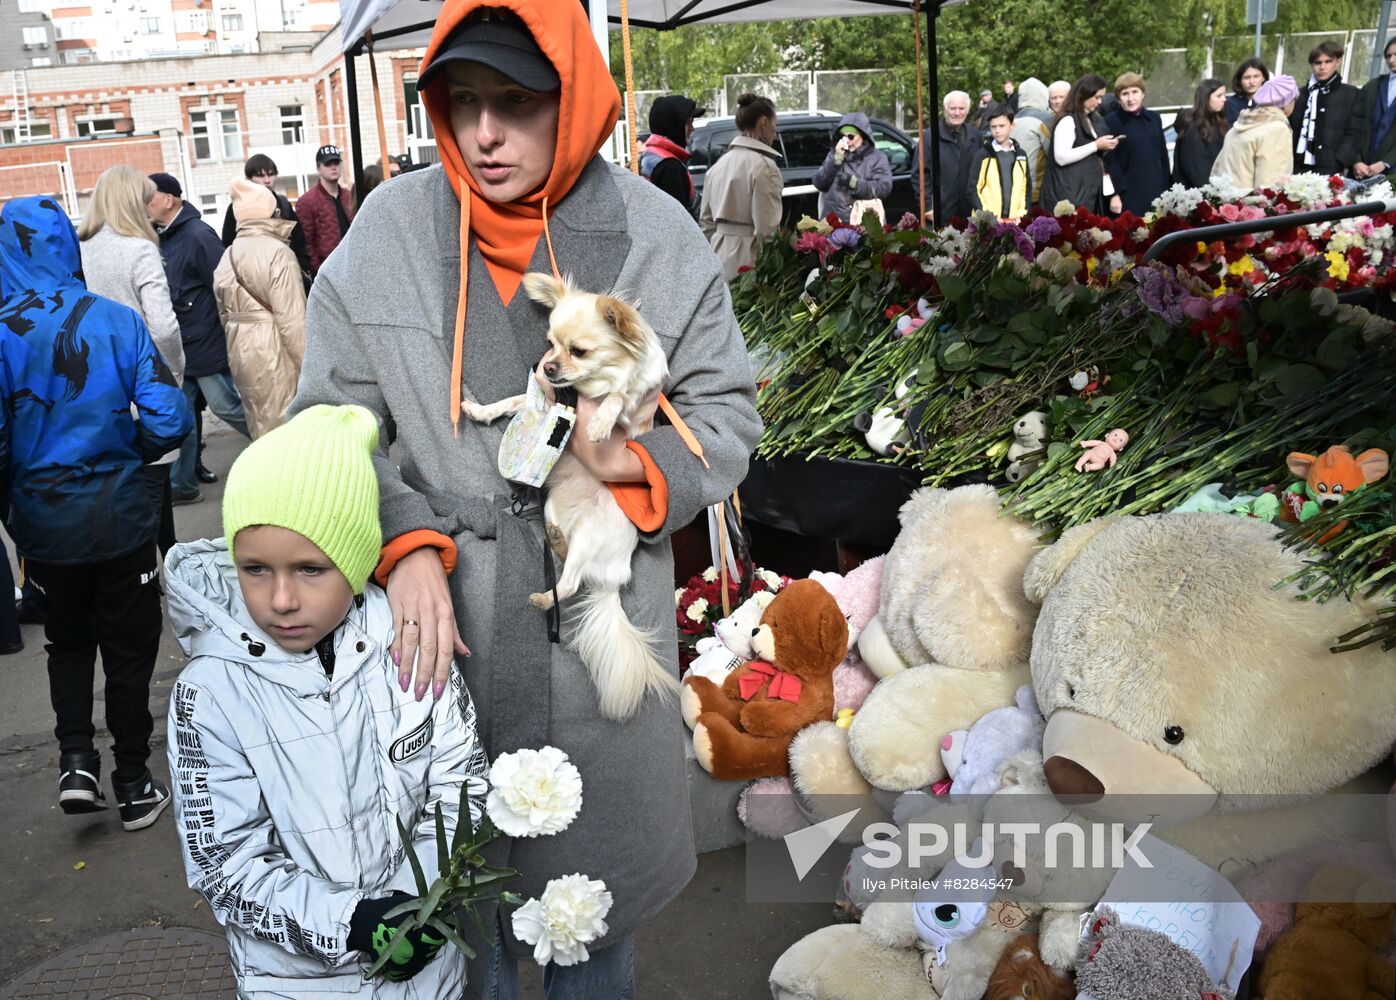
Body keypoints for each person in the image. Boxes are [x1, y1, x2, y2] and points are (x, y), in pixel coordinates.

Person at [290, 3, 760, 998]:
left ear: (574, 101)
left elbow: (725, 412)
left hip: (597, 624)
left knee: (592, 924)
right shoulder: (388, 231)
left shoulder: (652, 232)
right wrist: (405, 538)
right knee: (465, 935)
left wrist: (625, 467)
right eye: (463, 103)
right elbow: (329, 419)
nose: (483, 134)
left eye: (515, 102)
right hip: (440, 635)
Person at [166, 404, 486, 997]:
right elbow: (224, 861)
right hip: (296, 984)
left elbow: (461, 781)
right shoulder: (209, 694)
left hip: (427, 976)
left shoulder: (409, 642)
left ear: (358, 559)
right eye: (255, 569)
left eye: (311, 569)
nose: (281, 598)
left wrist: (420, 904)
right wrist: (355, 925)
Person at [0, 196, 192, 830]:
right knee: (131, 650)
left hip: (44, 521)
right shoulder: (115, 321)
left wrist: (21, 490)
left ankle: (76, 761)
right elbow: (170, 420)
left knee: (67, 643)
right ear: (67, 247)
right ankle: (134, 780)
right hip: (121, 516)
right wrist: (122, 453)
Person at [78, 166, 186, 556]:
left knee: (123, 488)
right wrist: (173, 373)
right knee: (154, 485)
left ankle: (158, 563)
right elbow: (163, 327)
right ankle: (154, 574)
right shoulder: (139, 248)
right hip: (144, 383)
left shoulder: (80, 247)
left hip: (95, 385)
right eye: (143, 201)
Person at [146, 171, 251, 506]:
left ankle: (282, 447)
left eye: (149, 196)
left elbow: (225, 285)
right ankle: (183, 484)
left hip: (204, 343)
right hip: (185, 346)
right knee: (184, 414)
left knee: (226, 406)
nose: (144, 203)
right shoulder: (166, 234)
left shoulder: (197, 235)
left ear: (169, 199)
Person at [213, 178, 307, 438]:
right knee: (287, 429)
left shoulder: (227, 255)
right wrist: (311, 368)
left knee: (258, 423)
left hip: (239, 349)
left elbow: (223, 313)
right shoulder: (278, 252)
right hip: (274, 345)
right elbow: (293, 321)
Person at [698, 92, 783, 280]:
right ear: (763, 123)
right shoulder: (764, 166)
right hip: (749, 262)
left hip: (717, 256)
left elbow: (706, 223)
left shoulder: (718, 166)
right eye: (774, 124)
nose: (775, 131)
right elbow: (767, 231)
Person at [219, 153, 312, 288]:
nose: (267, 180)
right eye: (261, 176)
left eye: (271, 174)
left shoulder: (283, 204)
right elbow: (228, 244)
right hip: (251, 279)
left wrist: (303, 268)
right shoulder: (237, 208)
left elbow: (299, 240)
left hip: (286, 274)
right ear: (249, 179)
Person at [1039, 74, 1119, 215]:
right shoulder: (1068, 120)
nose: (1100, 102)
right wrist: (1096, 145)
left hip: (1086, 195)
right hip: (1068, 199)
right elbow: (1061, 157)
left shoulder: (1092, 118)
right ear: (1084, 95)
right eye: (1097, 97)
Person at [1290, 39, 1363, 176]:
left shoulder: (1352, 94)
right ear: (1311, 65)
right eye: (1318, 62)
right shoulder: (1298, 94)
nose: (1322, 67)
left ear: (1337, 62)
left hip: (1331, 168)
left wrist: (1339, 160)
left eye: (1328, 61)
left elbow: (1355, 132)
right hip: (1297, 167)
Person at [1214, 74, 1298, 192]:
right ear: (1286, 103)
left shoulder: (1237, 127)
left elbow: (1216, 172)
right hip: (1253, 207)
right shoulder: (1277, 129)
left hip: (1227, 204)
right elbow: (1271, 185)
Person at [1103, 72, 1170, 216]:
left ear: (1143, 94)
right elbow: (1109, 161)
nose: (1131, 98)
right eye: (1125, 94)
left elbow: (1163, 156)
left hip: (1155, 191)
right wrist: (1114, 195)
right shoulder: (1112, 121)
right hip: (1127, 195)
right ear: (1118, 98)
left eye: (1135, 92)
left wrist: (1167, 191)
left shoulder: (1154, 118)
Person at [911, 91, 982, 222]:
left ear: (967, 110)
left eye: (961, 108)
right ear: (945, 110)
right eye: (953, 108)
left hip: (972, 213)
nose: (957, 113)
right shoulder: (929, 137)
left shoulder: (976, 137)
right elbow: (919, 174)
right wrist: (928, 206)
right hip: (941, 214)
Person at [812, 113, 894, 225]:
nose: (846, 141)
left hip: (865, 224)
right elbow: (819, 183)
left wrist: (855, 183)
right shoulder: (834, 154)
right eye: (843, 136)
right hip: (835, 223)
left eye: (850, 136)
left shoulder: (877, 157)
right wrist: (836, 161)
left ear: (863, 135)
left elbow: (884, 188)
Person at [642, 94, 705, 218]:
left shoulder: (650, 157)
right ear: (674, 125)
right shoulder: (670, 168)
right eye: (689, 123)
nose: (692, 129)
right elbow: (678, 222)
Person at [297, 145, 357, 274]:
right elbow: (307, 242)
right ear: (318, 168)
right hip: (327, 271)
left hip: (353, 265)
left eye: (336, 163)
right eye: (328, 163)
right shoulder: (307, 202)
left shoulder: (349, 196)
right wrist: (319, 271)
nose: (334, 167)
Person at [966, 103, 1029, 220]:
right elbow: (972, 189)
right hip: (987, 222)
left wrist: (1022, 214)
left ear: (1012, 125)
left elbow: (1025, 188)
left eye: (1001, 126)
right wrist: (987, 217)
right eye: (993, 127)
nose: (997, 130)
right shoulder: (983, 154)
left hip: (1015, 221)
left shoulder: (1021, 155)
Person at [1352, 36, 1396, 182]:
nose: (1391, 60)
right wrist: (1356, 160)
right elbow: (1353, 124)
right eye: (1388, 56)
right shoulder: (1373, 86)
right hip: (1361, 171)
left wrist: (1385, 163)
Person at [1173, 79, 1230, 188]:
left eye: (1224, 95)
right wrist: (1209, 192)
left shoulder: (1219, 122)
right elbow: (1194, 165)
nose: (1224, 99)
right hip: (1195, 194)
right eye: (1219, 96)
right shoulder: (1192, 126)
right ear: (1206, 98)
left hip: (1218, 188)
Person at [1010, 77, 1054, 205]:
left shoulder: (1011, 120)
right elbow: (1054, 154)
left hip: (1013, 188)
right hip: (1036, 191)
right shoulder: (1046, 120)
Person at [1225, 57, 1270, 126]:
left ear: (1263, 77)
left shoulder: (1270, 103)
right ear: (1240, 80)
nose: (1252, 82)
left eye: (1256, 76)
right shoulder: (1229, 103)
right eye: (1247, 77)